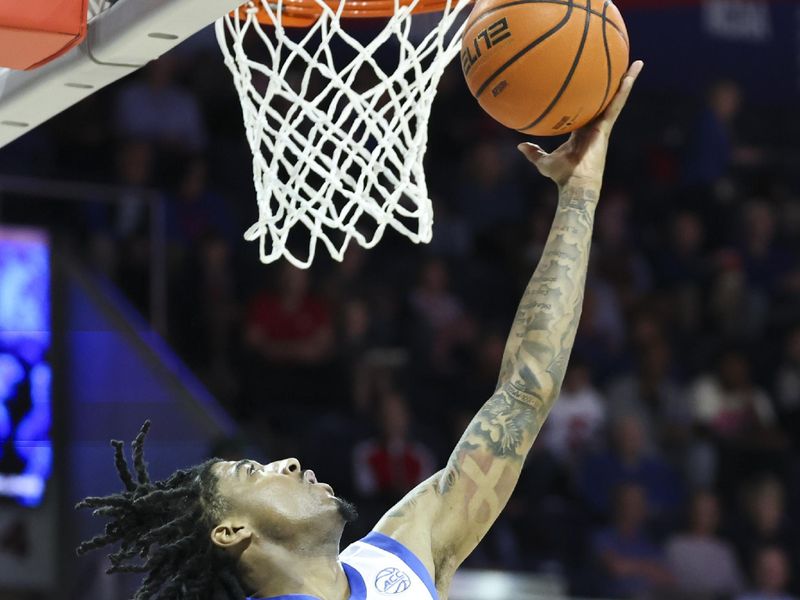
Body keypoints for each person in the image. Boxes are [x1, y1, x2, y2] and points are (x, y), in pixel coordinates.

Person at [76, 62, 644, 600]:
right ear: (229, 531)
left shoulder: (401, 552)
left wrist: (579, 193)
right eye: (253, 471)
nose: (289, 463)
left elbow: (522, 396)